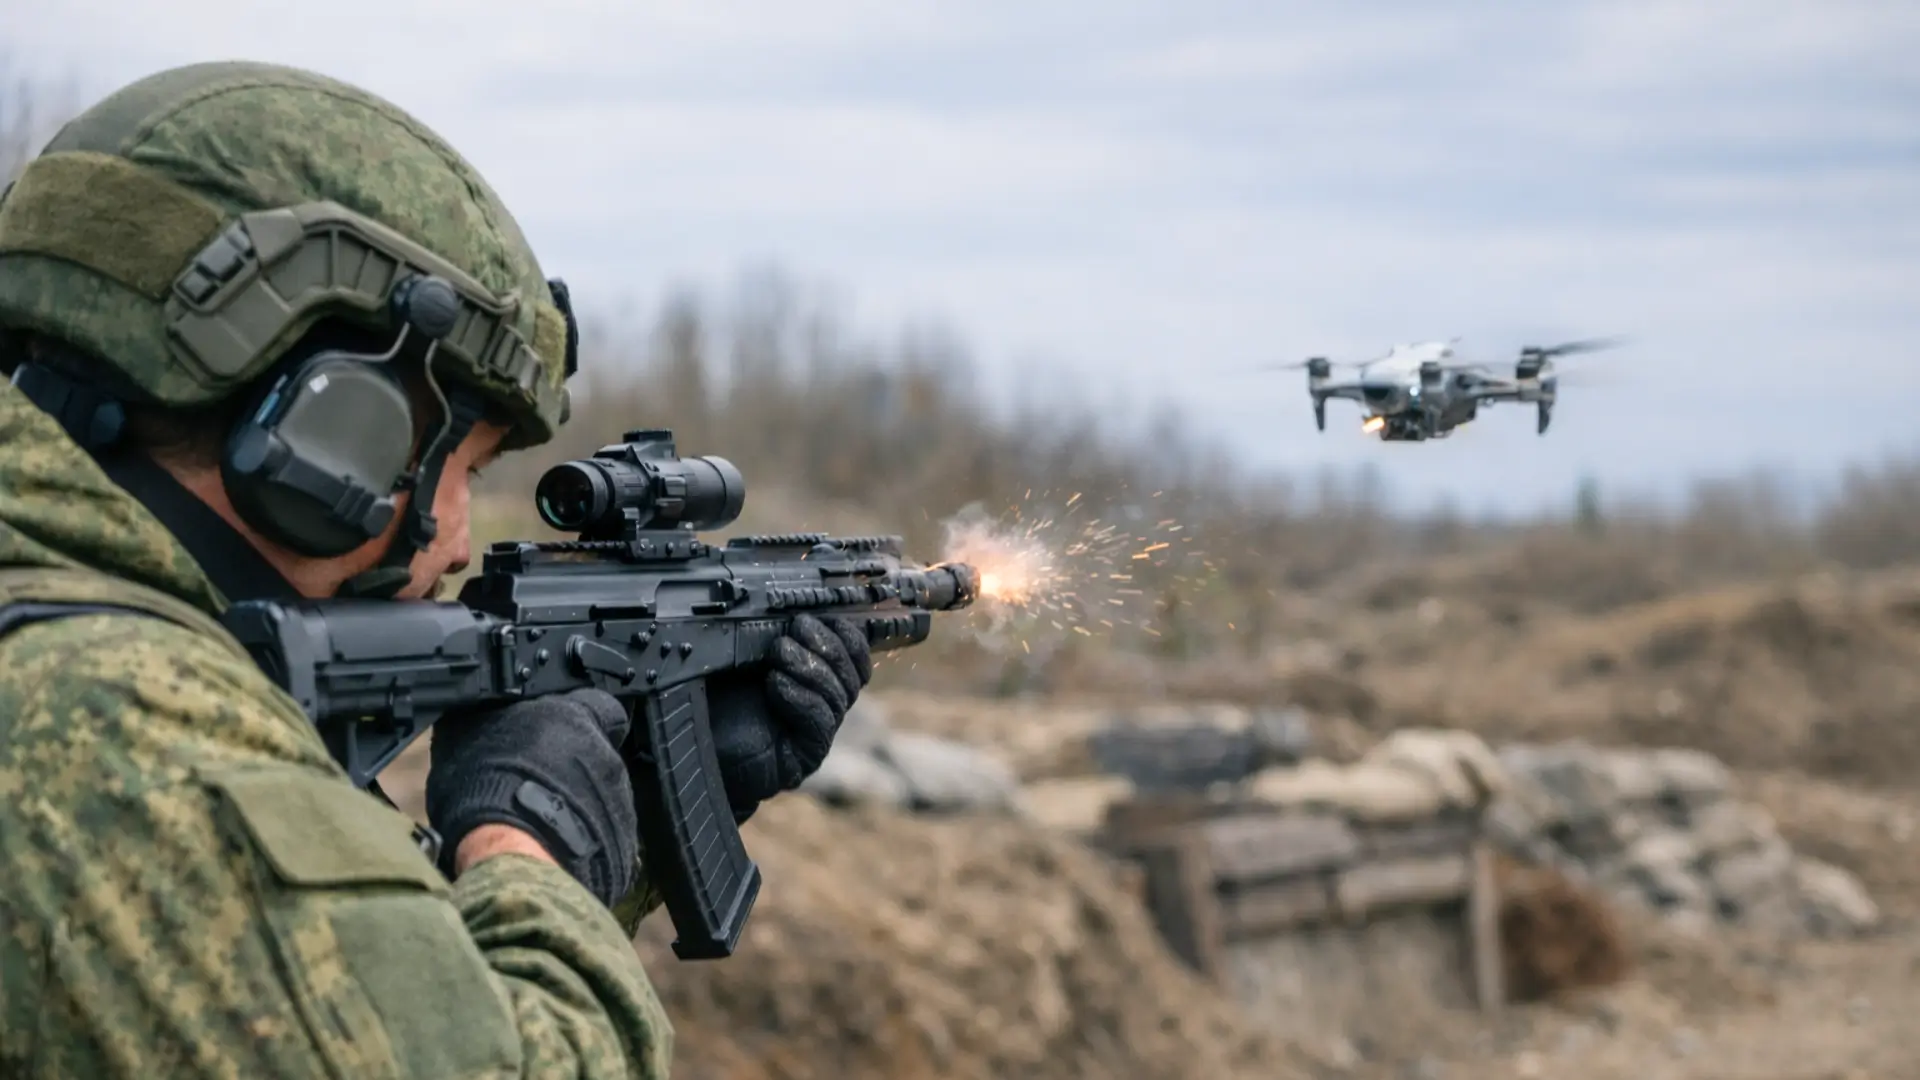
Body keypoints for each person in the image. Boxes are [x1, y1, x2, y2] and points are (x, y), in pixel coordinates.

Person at [0, 60, 868, 1078]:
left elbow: (396, 1011)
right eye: (467, 466)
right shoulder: (112, 729)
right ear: (331, 432)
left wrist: (628, 813)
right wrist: (525, 845)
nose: (456, 543)